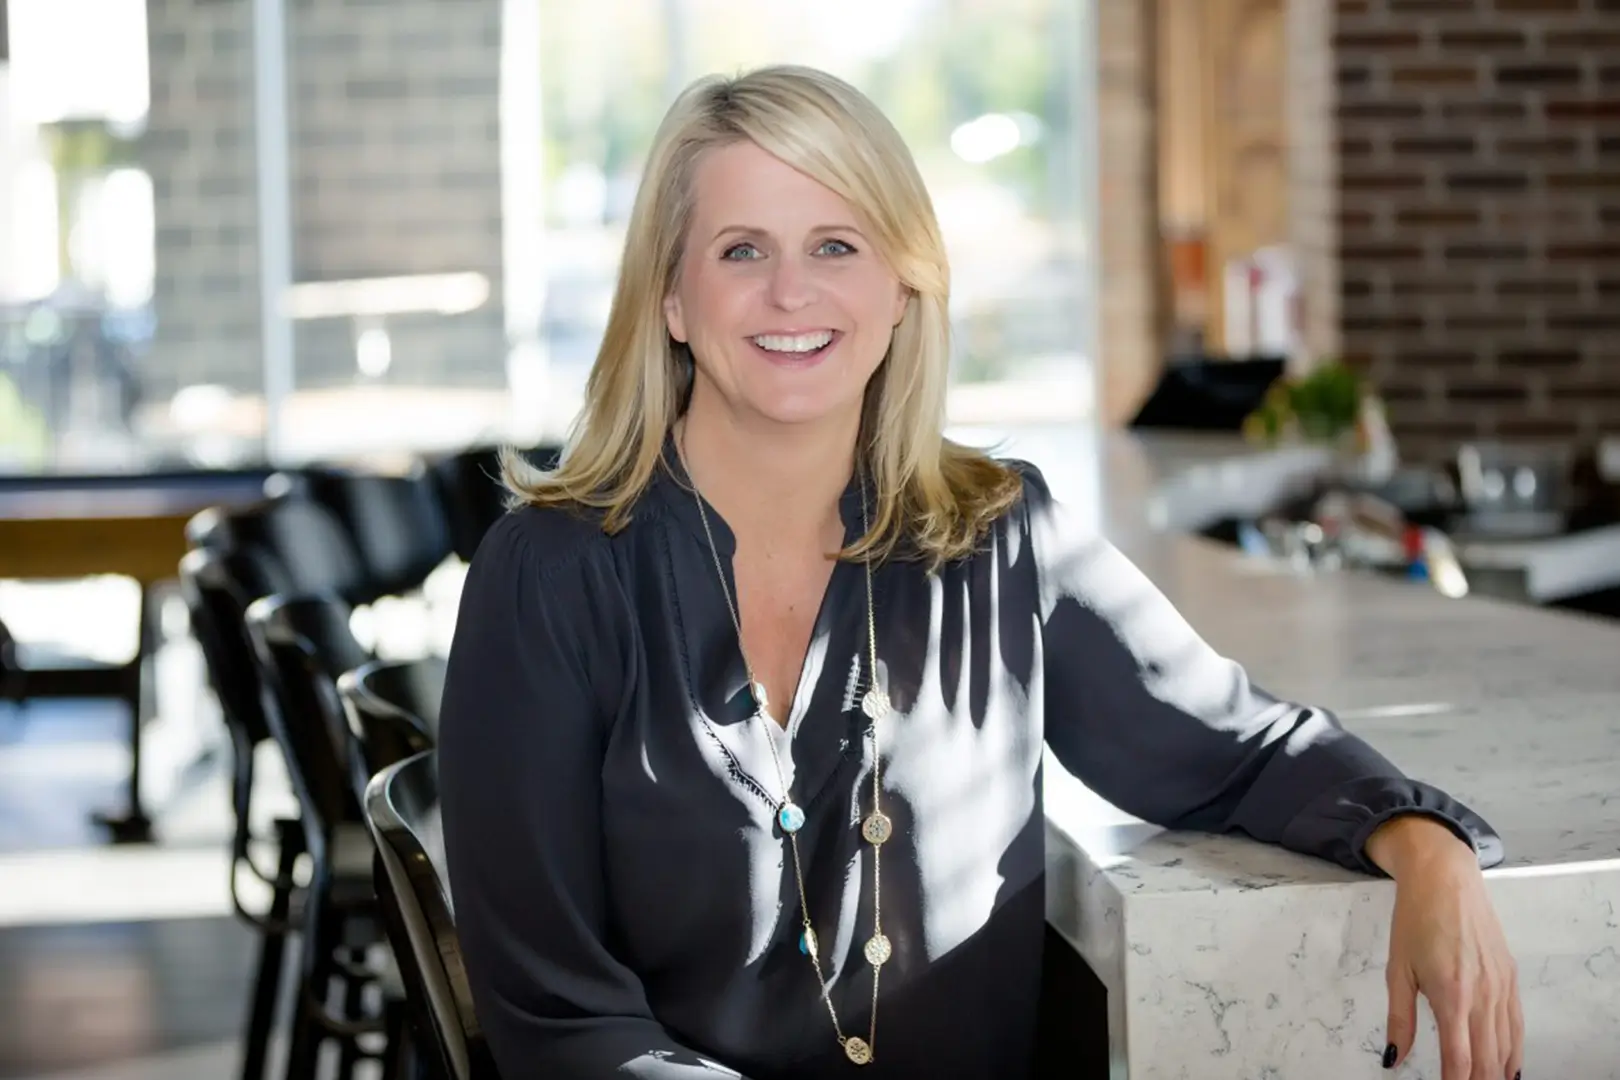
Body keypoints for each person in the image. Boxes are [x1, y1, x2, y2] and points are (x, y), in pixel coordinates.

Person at [438, 65, 1521, 1080]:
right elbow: (556, 1010)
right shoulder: (549, 576)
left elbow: (1230, 750)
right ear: (671, 299)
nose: (791, 294)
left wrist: (1420, 842)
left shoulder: (1000, 537)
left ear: (901, 287)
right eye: (740, 251)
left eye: (835, 245)